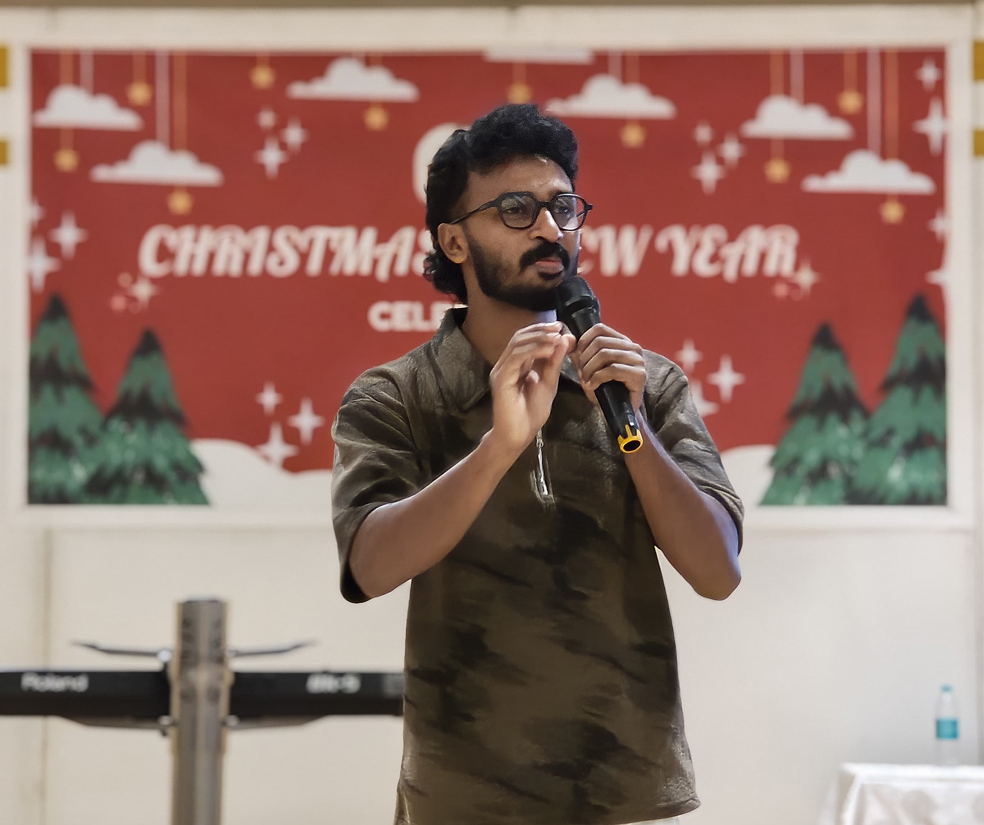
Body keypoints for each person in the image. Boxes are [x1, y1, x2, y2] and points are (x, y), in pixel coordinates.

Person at [331, 103, 743, 825]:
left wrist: (633, 429)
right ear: (454, 241)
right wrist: (499, 447)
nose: (551, 229)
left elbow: (718, 572)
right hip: (462, 796)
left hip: (624, 792)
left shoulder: (644, 384)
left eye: (563, 207)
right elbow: (368, 567)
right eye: (517, 210)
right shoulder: (398, 394)